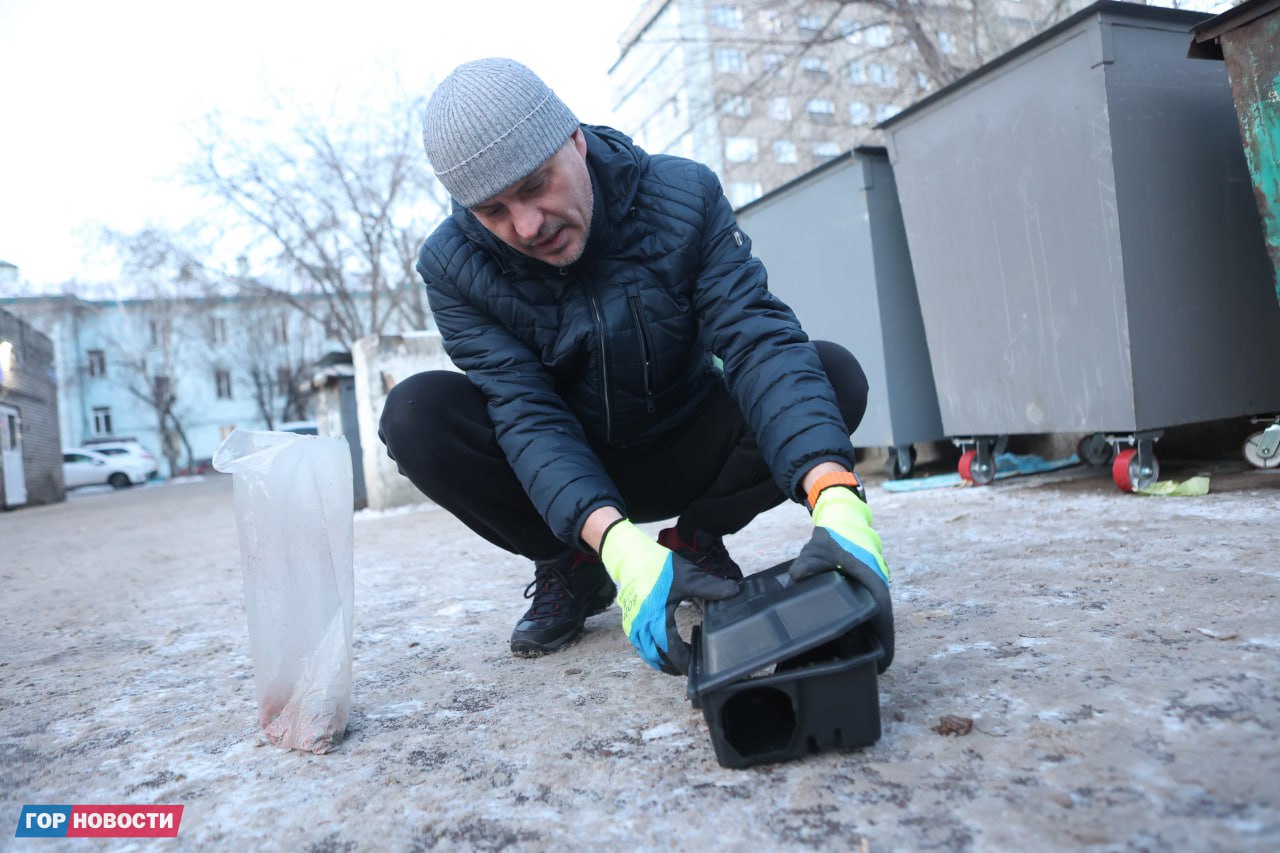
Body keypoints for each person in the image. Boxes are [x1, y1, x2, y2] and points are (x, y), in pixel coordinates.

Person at [379, 57, 893, 677]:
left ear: (574, 140)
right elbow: (526, 410)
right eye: (493, 211)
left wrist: (835, 495)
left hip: (685, 440)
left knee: (830, 375)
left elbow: (757, 339)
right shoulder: (454, 266)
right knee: (417, 415)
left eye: (537, 184)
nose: (527, 225)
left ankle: (693, 543)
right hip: (568, 465)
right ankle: (581, 561)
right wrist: (619, 546)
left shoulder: (683, 196)